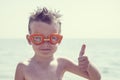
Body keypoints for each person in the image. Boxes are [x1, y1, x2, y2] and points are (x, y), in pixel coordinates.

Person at [15, 7, 101, 80]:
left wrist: (88, 65)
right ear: (29, 40)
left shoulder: (62, 63)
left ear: (59, 39)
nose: (45, 44)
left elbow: (96, 78)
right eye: (38, 38)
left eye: (52, 38)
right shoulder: (23, 67)